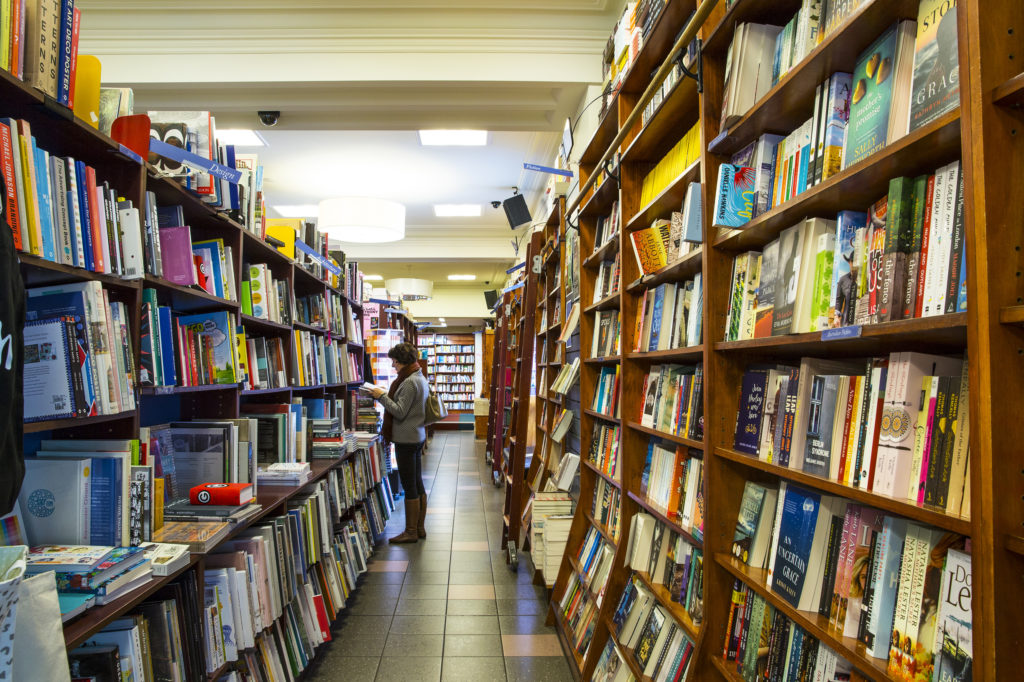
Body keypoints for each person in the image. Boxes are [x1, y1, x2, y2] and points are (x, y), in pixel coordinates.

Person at [366, 342, 429, 544]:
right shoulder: (418, 376)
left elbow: (400, 411)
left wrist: (381, 396)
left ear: (402, 361)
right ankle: (419, 528)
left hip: (407, 438)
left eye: (395, 362)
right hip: (416, 435)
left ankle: (411, 531)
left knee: (410, 485)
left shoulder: (410, 382)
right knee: (417, 483)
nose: (394, 366)